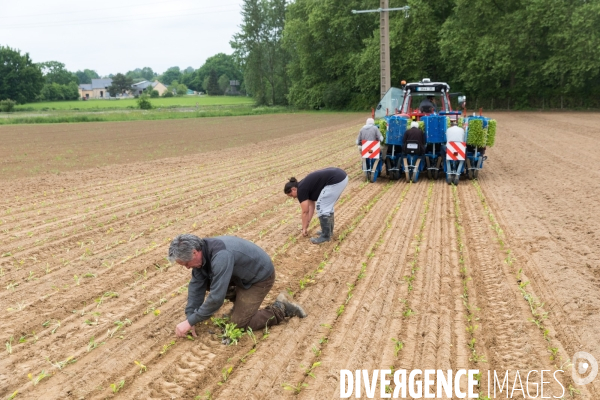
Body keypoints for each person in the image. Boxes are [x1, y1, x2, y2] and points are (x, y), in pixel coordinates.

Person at [168, 234, 307, 339]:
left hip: (259, 278)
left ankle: (281, 308)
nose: (187, 268)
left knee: (239, 324)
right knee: (208, 282)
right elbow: (196, 287)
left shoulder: (221, 256)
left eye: (186, 263)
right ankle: (240, 304)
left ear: (194, 252)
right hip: (239, 276)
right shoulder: (201, 256)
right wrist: (190, 317)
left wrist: (190, 321)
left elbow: (216, 298)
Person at [283, 167, 348, 244]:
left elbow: (305, 211)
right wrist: (307, 224)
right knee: (326, 207)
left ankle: (325, 236)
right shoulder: (303, 186)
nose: (293, 197)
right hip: (341, 177)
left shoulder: (301, 190)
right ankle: (328, 232)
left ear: (293, 189)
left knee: (322, 208)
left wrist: (303, 228)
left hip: (336, 180)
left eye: (291, 195)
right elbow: (311, 207)